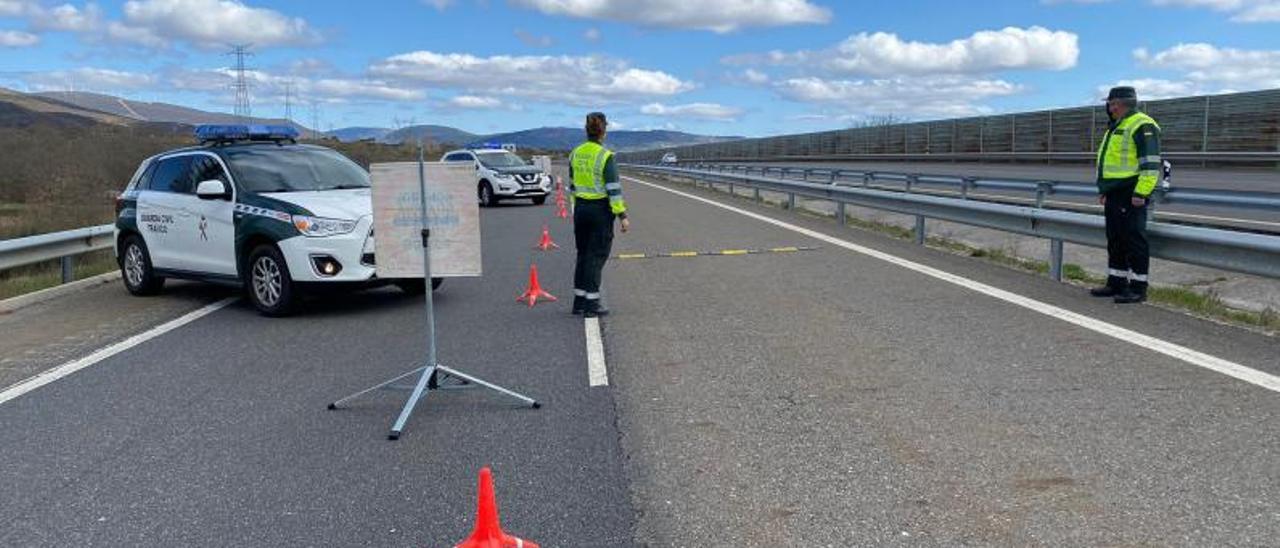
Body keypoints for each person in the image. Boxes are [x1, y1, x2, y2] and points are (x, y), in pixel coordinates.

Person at [1090, 86, 1161, 304]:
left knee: (1133, 239)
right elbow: (1108, 163)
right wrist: (1105, 190)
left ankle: (1138, 287)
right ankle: (1116, 282)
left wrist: (1141, 192)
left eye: (1110, 104)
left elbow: (1150, 164)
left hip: (1132, 192)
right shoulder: (1116, 126)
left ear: (1116, 104)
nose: (1109, 108)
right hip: (1115, 193)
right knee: (1116, 239)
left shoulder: (1143, 124)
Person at [569, 112, 629, 317]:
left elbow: (572, 185)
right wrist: (622, 215)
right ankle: (592, 306)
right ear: (604, 131)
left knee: (583, 254)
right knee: (596, 257)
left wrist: (576, 208)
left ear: (587, 130)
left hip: (581, 209)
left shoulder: (575, 153)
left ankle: (578, 302)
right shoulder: (605, 156)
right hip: (599, 211)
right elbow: (613, 189)